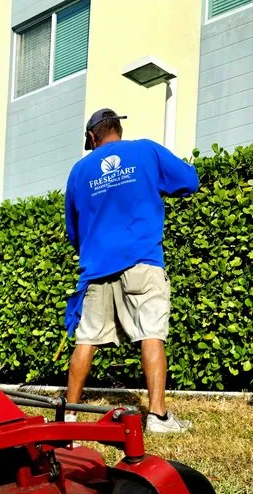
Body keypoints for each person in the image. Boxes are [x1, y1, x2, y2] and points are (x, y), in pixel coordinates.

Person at [63, 108, 199, 434]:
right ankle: (158, 417)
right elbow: (189, 181)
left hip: (96, 270)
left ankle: (67, 416)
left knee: (86, 340)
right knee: (151, 333)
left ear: (93, 136)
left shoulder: (80, 171)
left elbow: (73, 231)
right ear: (117, 129)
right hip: (142, 260)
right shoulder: (145, 151)